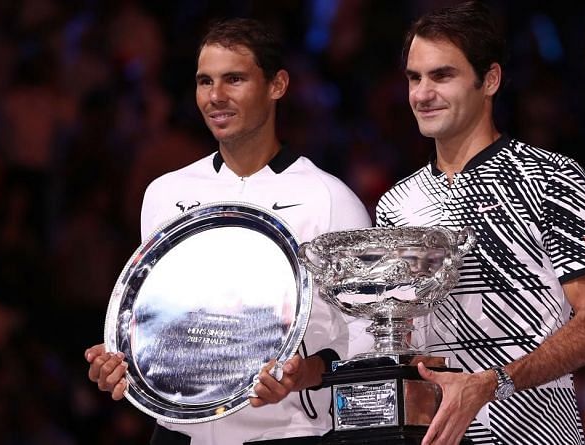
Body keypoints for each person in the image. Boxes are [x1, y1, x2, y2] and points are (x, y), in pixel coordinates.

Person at [84, 17, 371, 444]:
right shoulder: (165, 193)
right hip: (177, 433)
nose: (215, 97)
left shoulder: (331, 200)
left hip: (286, 432)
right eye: (205, 82)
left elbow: (367, 343)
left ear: (277, 86)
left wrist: (304, 375)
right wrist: (123, 363)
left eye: (234, 79)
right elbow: (160, 322)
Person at [375, 2, 585, 444]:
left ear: (489, 80)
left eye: (442, 75)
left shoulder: (550, 178)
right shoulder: (396, 205)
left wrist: (493, 383)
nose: (422, 93)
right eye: (415, 77)